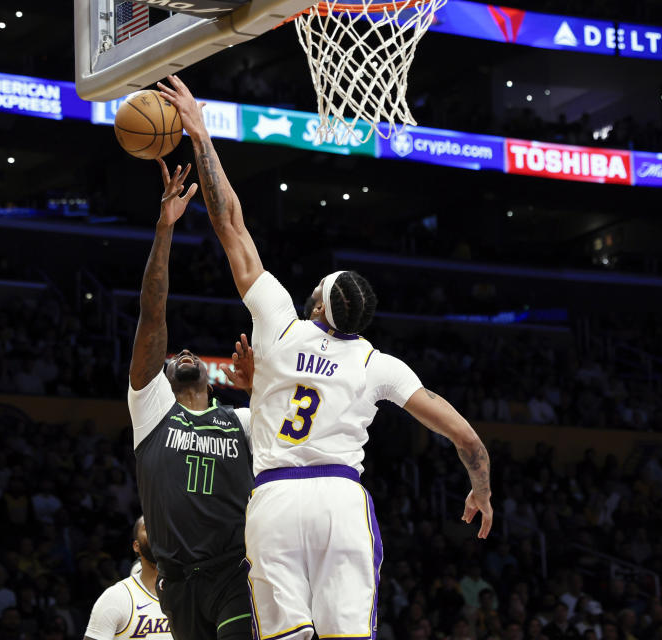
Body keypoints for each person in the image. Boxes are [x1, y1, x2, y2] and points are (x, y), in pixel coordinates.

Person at [159, 74, 493, 640]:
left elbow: (230, 224)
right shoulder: (378, 364)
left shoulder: (279, 321)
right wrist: (480, 486)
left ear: (317, 302)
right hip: (341, 499)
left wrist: (202, 135)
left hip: (275, 499)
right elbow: (465, 438)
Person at [125, 159, 256, 640]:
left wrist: (259, 390)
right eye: (171, 354)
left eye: (190, 352)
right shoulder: (152, 411)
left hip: (233, 573)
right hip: (177, 580)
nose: (181, 352)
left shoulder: (240, 422)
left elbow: (293, 433)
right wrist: (165, 230)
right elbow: (152, 315)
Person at [84, 517, 172, 640]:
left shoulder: (187, 596)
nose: (156, 532)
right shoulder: (116, 597)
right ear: (136, 546)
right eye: (148, 528)